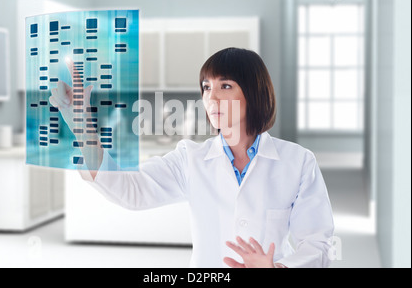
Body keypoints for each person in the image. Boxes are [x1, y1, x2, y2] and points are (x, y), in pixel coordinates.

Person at [49, 47, 334, 268]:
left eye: (225, 86)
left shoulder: (297, 162)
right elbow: (131, 190)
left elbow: (318, 243)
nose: (212, 98)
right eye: (207, 87)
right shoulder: (191, 158)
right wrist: (80, 122)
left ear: (255, 93)